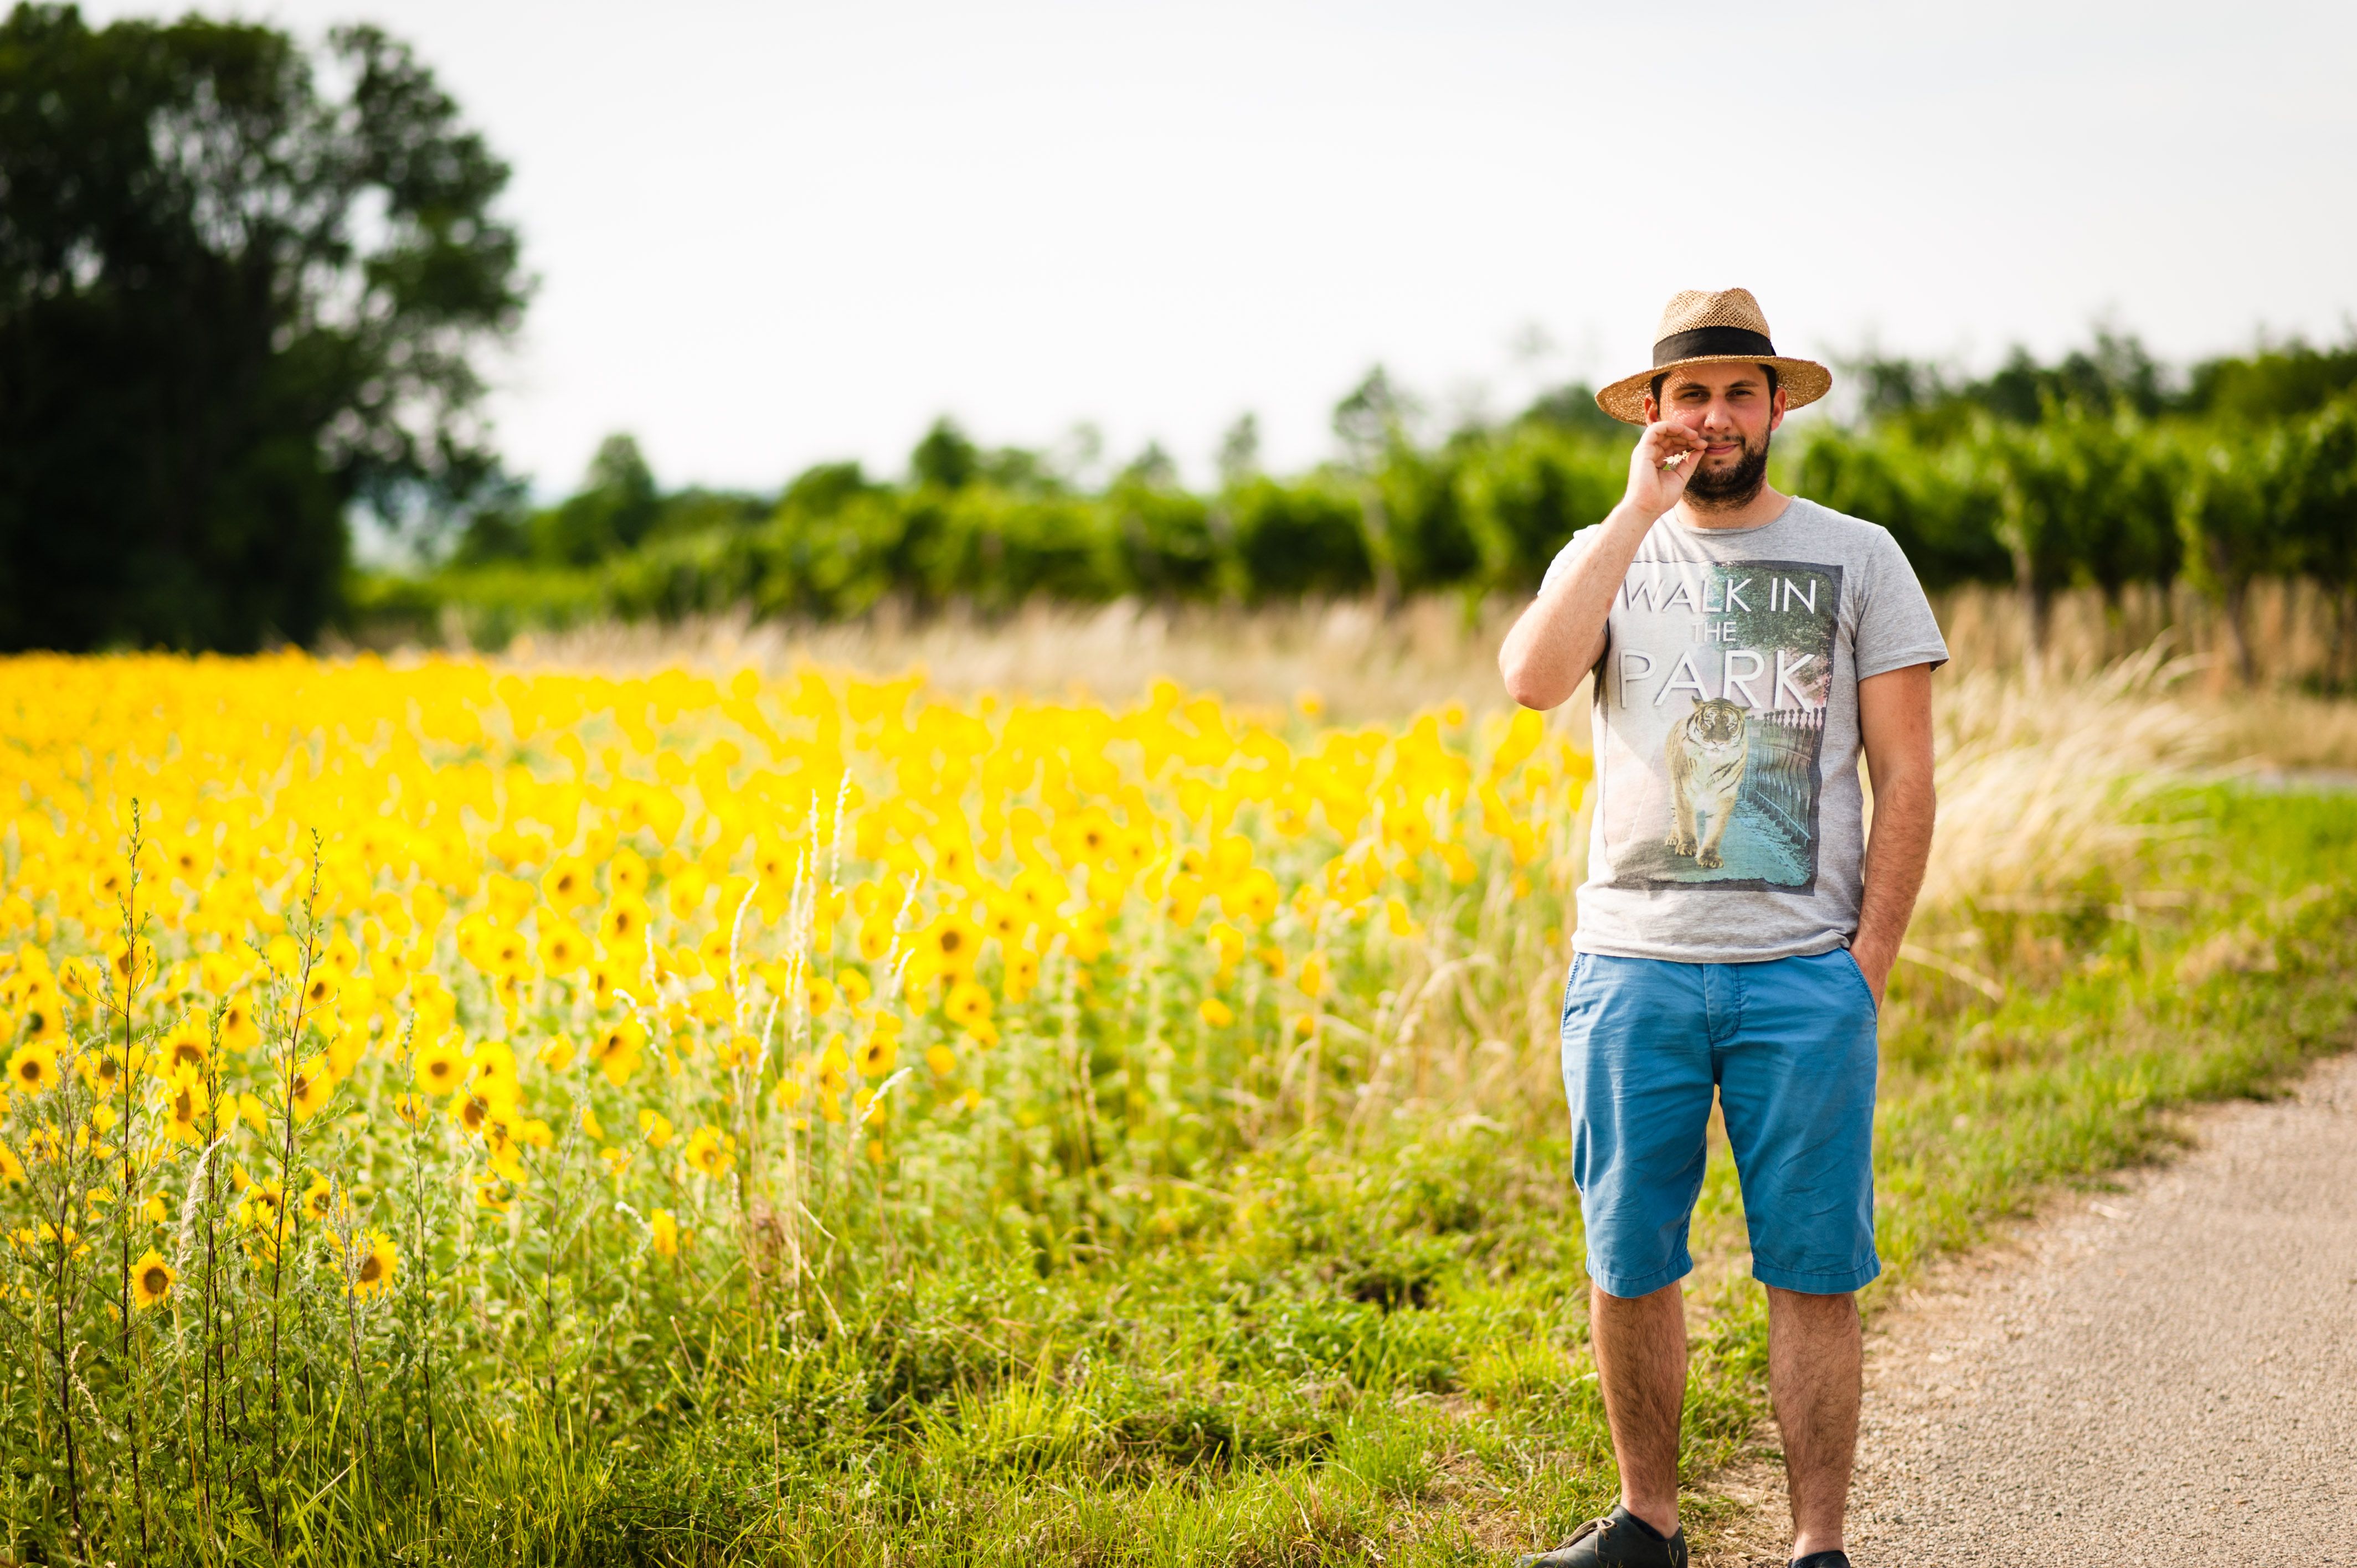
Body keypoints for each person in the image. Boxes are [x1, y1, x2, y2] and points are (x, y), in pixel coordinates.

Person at [1496, 288, 1946, 1568]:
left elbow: (1906, 780)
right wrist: (1635, 513)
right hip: (1631, 972)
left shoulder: (1858, 557)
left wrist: (1862, 967)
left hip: (1802, 979)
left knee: (1813, 1272)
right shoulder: (1610, 547)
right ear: (1652, 413)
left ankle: (1816, 1548)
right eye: (1688, 395)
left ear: (1774, 406)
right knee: (1628, 1260)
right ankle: (1649, 1528)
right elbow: (1530, 679)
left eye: (1738, 393)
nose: (1713, 417)